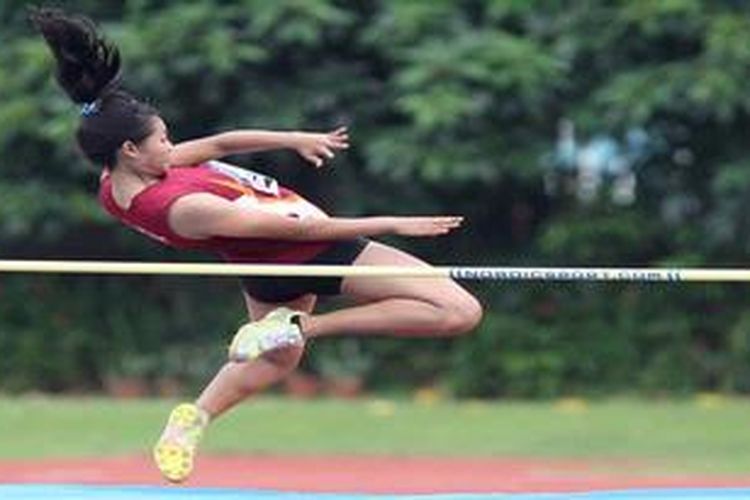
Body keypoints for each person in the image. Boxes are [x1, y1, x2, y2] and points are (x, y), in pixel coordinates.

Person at [31, 8, 483, 483]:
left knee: (274, 362)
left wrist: (294, 139)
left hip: (264, 264)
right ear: (130, 150)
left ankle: (195, 417)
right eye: (163, 139)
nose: (172, 145)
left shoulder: (124, 178)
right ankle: (300, 326)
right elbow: (298, 233)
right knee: (458, 311)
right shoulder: (181, 206)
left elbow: (223, 144)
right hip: (309, 249)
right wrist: (393, 223)